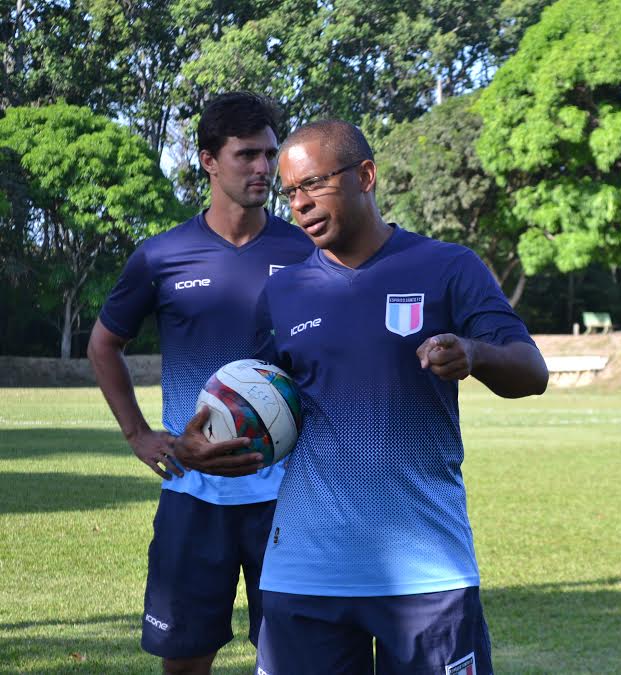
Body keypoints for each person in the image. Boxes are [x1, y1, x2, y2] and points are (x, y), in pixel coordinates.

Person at [250, 120, 548, 674]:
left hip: (426, 569)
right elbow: (261, 401)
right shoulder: (283, 292)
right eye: (289, 192)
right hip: (305, 569)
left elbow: (532, 370)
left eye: (314, 184)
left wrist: (475, 355)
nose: (300, 204)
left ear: (365, 175)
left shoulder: (448, 267)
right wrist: (211, 434)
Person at [87, 92, 314, 675]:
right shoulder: (161, 256)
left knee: (297, 661)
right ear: (209, 160)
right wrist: (140, 435)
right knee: (185, 662)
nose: (263, 168)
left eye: (270, 154)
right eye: (247, 155)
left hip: (292, 499)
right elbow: (104, 342)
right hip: (194, 495)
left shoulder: (308, 251)